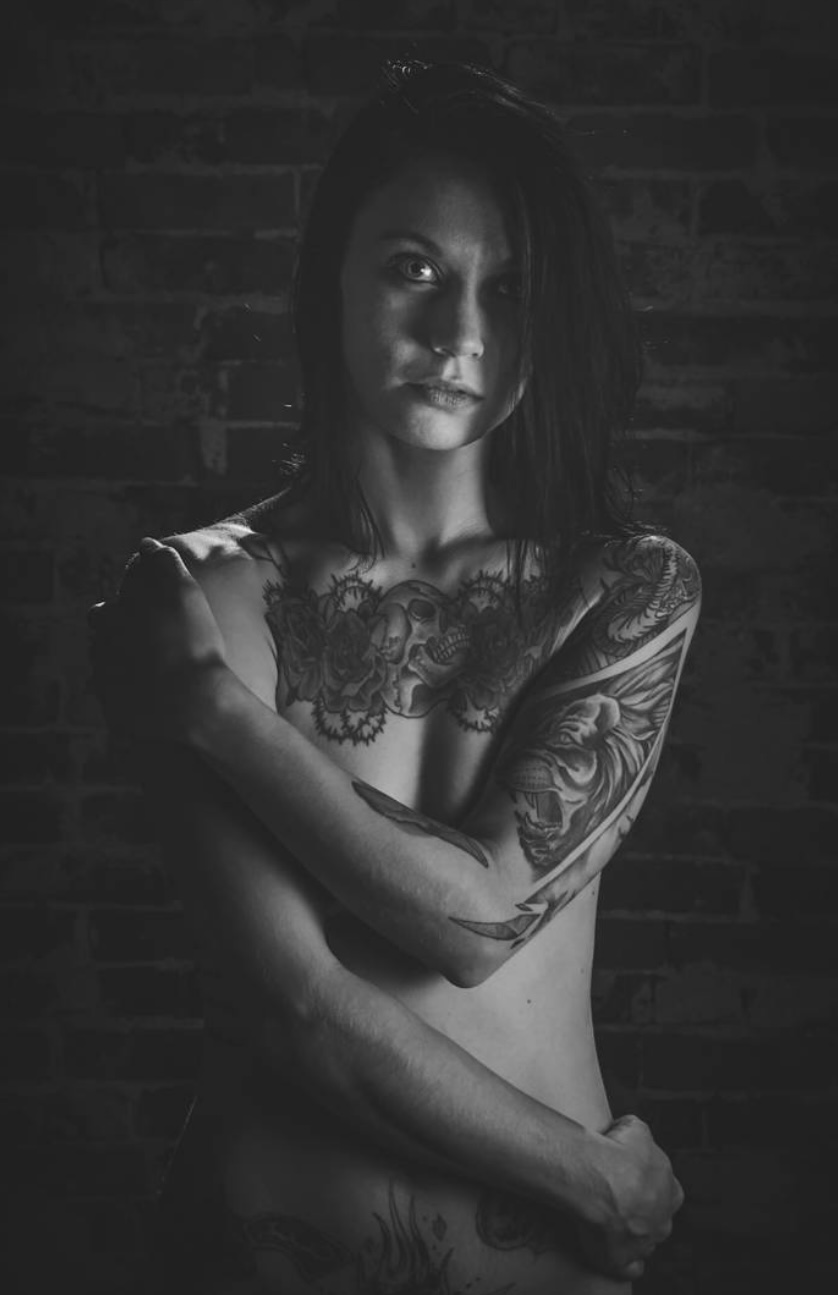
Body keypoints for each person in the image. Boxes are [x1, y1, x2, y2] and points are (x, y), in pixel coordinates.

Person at [91, 60, 699, 1295]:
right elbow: (299, 1009)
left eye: (509, 287)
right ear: (332, 277)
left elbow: (478, 920)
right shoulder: (198, 592)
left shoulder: (628, 587)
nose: (458, 335)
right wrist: (593, 1176)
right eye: (413, 267)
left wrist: (218, 713)